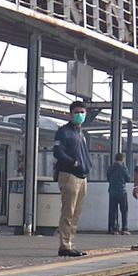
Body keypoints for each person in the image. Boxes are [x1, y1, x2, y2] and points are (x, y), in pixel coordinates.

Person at [52, 100, 90, 257]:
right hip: (69, 175)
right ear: (70, 114)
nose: (79, 115)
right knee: (68, 211)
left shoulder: (81, 133)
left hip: (82, 176)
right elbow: (57, 151)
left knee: (76, 212)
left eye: (82, 112)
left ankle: (70, 243)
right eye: (76, 112)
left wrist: (87, 166)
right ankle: (64, 245)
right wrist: (72, 162)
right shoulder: (64, 132)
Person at [106, 152, 130, 235]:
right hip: (122, 191)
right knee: (124, 210)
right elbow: (128, 179)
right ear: (123, 159)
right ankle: (124, 228)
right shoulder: (123, 168)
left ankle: (113, 228)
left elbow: (108, 177)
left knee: (113, 210)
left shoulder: (110, 167)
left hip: (112, 191)